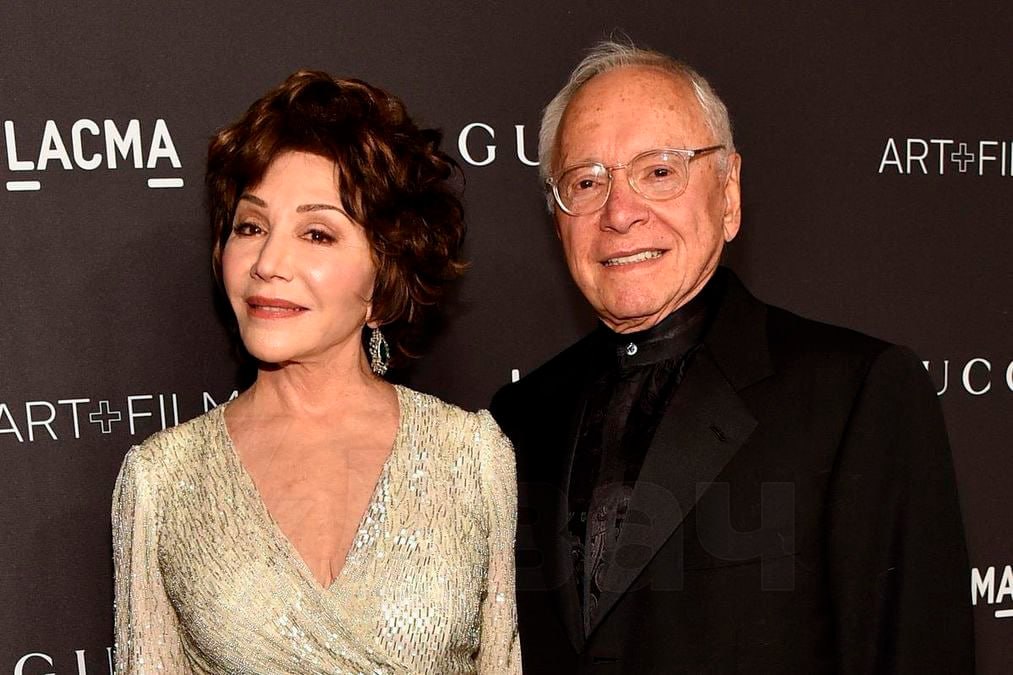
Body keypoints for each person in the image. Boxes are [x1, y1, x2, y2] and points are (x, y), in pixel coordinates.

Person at [490, 41, 973, 673]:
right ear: (557, 219)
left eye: (659, 172)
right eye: (586, 182)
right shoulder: (519, 417)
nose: (620, 212)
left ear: (729, 194)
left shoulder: (855, 395)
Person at [112, 70, 520, 674]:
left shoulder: (472, 456)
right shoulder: (162, 481)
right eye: (251, 227)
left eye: (317, 234)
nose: (268, 262)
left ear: (385, 277)